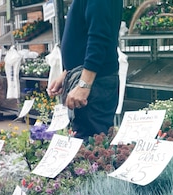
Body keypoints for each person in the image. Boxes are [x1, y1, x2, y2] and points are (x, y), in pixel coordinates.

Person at [47, 0, 122, 139]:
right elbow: (83, 35)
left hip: (96, 83)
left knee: (93, 145)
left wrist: (84, 84)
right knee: (86, 143)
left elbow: (99, 38)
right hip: (90, 79)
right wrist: (67, 72)